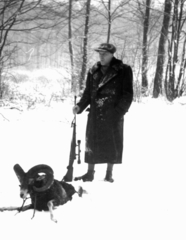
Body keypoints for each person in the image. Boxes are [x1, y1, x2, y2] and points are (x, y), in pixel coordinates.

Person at [73, 43, 133, 183]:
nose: (101, 56)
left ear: (112, 54)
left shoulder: (123, 70)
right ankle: (90, 173)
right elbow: (88, 93)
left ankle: (109, 174)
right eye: (100, 53)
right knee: (92, 144)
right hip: (95, 114)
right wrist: (79, 106)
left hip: (113, 114)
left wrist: (118, 112)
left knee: (112, 144)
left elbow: (128, 95)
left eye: (104, 54)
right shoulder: (93, 70)